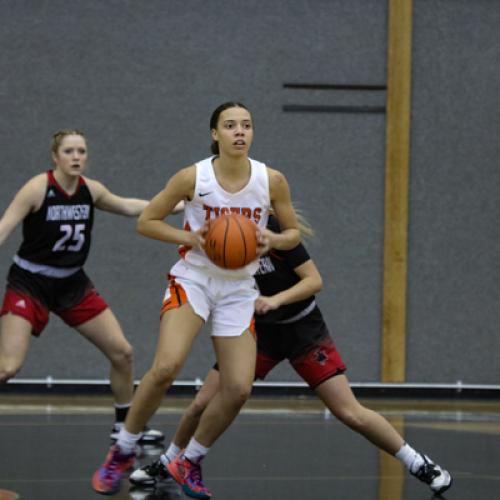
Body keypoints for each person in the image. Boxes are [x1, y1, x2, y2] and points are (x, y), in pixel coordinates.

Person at [129, 213, 453, 496]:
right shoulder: (219, 229)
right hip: (257, 333)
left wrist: (277, 299)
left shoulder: (276, 233)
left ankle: (418, 463)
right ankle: (170, 462)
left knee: (348, 411)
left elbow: (315, 281)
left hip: (302, 331)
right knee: (202, 402)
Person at [92, 102, 301, 497]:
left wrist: (273, 239)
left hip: (239, 287)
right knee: (167, 366)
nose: (240, 131)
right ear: (214, 134)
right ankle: (122, 449)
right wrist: (189, 237)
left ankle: (187, 461)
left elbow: (292, 234)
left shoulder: (271, 180)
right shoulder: (194, 176)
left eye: (247, 125)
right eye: (230, 125)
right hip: (195, 279)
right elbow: (146, 221)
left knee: (238, 389)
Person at [0, 130, 164, 444]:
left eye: (82, 151)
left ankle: (125, 427)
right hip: (30, 282)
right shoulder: (38, 188)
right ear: (55, 156)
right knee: (8, 366)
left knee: (123, 353)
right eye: (69, 151)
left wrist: (174, 206)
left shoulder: (91, 190)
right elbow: (4, 228)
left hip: (71, 283)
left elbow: (128, 206)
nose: (76, 157)